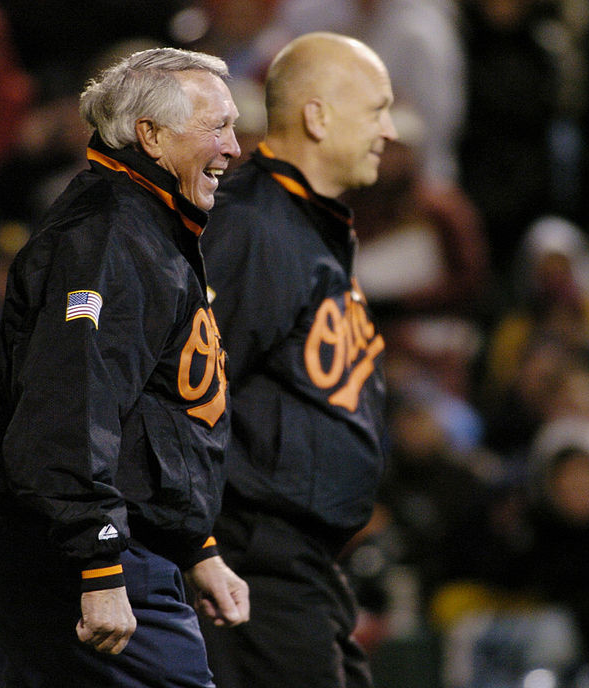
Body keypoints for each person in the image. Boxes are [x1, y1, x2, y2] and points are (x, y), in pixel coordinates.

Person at [0, 46, 249, 687]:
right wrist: (98, 565)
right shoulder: (109, 235)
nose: (234, 147)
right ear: (149, 135)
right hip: (80, 550)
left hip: (89, 542)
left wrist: (196, 549)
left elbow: (150, 410)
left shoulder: (147, 224)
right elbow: (70, 406)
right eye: (217, 127)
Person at [199, 32, 396, 688]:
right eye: (377, 109)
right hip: (251, 562)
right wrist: (199, 549)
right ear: (317, 116)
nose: (390, 130)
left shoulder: (306, 224)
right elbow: (180, 389)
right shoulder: (253, 227)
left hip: (301, 566)